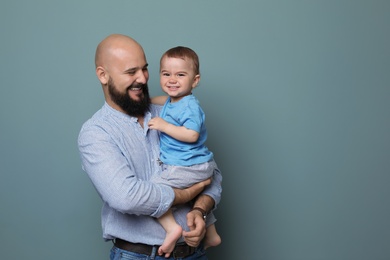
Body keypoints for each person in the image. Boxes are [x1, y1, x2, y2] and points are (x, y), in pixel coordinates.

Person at [78, 34, 222, 260]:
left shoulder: (170, 110)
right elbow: (127, 197)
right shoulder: (96, 132)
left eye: (144, 69)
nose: (143, 79)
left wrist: (200, 210)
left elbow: (210, 172)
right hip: (139, 256)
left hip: (194, 253)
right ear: (103, 75)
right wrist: (186, 194)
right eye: (130, 72)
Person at [148, 46, 221, 257]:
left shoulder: (190, 106)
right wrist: (149, 100)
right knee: (193, 199)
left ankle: (172, 228)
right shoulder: (174, 100)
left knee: (155, 192)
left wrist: (164, 126)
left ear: (195, 81)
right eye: (166, 74)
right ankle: (212, 233)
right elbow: (165, 101)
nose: (172, 80)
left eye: (180, 75)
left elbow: (192, 135)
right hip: (197, 164)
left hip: (187, 165)